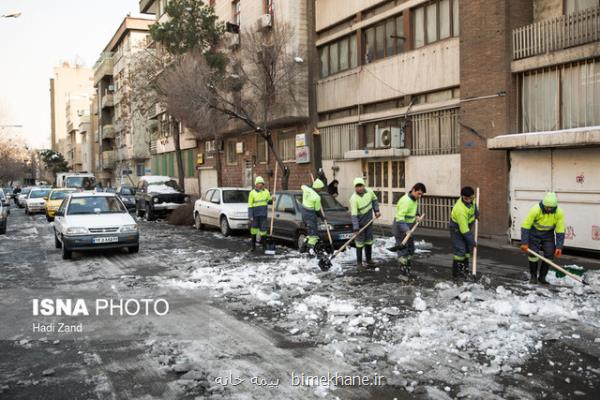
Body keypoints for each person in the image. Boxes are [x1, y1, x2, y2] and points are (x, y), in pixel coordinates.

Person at [520, 192, 565, 284]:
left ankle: (542, 277)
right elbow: (526, 226)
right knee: (533, 254)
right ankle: (533, 276)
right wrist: (524, 242)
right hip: (534, 233)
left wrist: (559, 247)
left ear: (554, 207)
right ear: (543, 204)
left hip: (548, 234)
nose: (548, 209)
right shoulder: (536, 209)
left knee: (549, 254)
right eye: (546, 207)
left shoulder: (559, 212)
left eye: (551, 207)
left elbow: (560, 230)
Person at [393, 183, 427, 275]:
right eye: (419, 193)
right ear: (413, 190)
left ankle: (407, 269)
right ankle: (403, 273)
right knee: (403, 251)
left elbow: (414, 209)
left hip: (409, 228)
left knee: (411, 249)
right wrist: (406, 230)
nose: (420, 196)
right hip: (401, 227)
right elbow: (400, 218)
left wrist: (417, 215)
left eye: (421, 194)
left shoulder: (414, 199)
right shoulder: (405, 201)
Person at [349, 177, 380, 267]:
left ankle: (369, 260)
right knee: (359, 242)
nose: (359, 188)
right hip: (360, 224)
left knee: (369, 241)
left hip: (369, 221)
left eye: (361, 186)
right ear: (354, 187)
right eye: (357, 186)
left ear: (364, 185)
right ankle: (359, 262)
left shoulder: (369, 191)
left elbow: (374, 200)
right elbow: (354, 215)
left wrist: (376, 210)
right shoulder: (353, 199)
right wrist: (356, 227)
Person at [449, 186, 479, 278]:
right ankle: (457, 274)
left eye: (472, 198)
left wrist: (477, 214)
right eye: (468, 199)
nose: (471, 200)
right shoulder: (460, 209)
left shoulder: (472, 199)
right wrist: (473, 242)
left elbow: (474, 207)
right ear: (463, 197)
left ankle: (465, 270)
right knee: (460, 251)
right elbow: (464, 230)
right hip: (457, 229)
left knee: (466, 250)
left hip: (466, 227)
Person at [301, 178, 325, 255]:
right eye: (320, 188)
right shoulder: (317, 197)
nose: (321, 190)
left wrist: (310, 186)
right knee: (314, 235)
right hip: (311, 214)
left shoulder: (306, 189)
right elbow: (317, 210)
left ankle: (306, 241)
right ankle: (310, 249)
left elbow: (302, 185)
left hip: (304, 213)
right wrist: (322, 217)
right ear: (318, 188)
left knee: (310, 231)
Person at [248, 176, 272, 251]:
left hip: (263, 214)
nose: (260, 185)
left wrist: (273, 199)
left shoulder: (266, 192)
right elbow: (250, 205)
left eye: (261, 183)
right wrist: (250, 215)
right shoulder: (252, 193)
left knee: (263, 231)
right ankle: (253, 246)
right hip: (255, 215)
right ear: (256, 184)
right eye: (259, 183)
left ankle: (264, 247)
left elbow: (269, 201)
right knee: (254, 230)